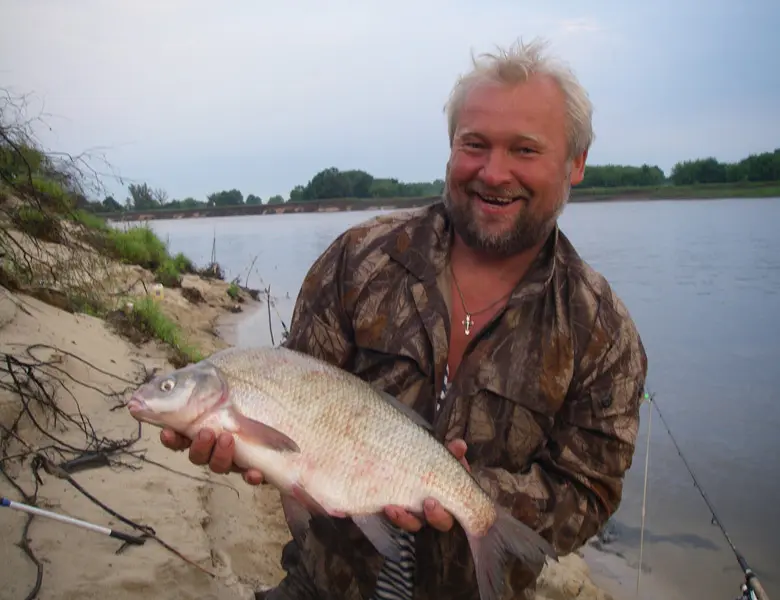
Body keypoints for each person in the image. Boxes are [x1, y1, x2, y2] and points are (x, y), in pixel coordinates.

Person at [160, 37, 648, 600]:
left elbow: (588, 495)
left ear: (575, 164)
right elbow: (287, 391)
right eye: (475, 143)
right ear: (450, 150)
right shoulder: (357, 261)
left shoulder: (601, 333)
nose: (493, 172)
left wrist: (450, 486)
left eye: (525, 150)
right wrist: (240, 443)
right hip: (322, 586)